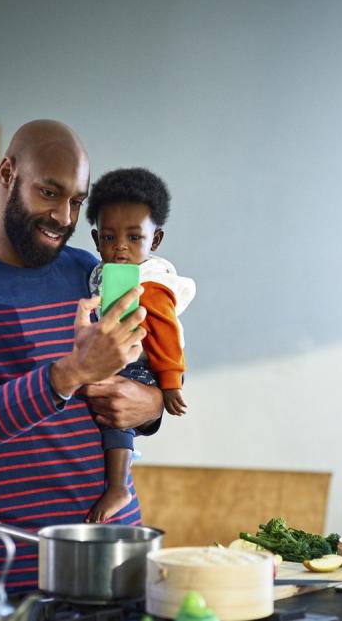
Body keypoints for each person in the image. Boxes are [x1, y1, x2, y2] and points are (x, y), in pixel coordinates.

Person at [0, 120, 165, 592]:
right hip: (20, 562)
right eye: (49, 192)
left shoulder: (92, 272)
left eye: (77, 201)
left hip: (118, 549)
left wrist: (152, 406)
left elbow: (141, 381)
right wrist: (68, 374)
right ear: (8, 173)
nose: (65, 217)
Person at [83, 168, 196, 522]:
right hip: (118, 353)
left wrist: (170, 382)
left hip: (140, 363)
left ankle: (118, 486)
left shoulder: (150, 282)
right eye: (110, 237)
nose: (120, 247)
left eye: (134, 237)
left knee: (116, 423)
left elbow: (166, 332)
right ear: (95, 237)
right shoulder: (101, 271)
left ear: (155, 240)